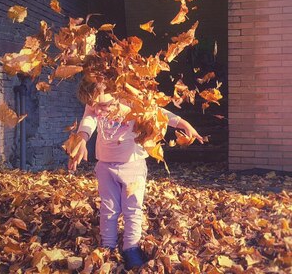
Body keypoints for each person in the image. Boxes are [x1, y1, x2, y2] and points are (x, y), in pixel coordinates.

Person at [68, 79, 203, 270]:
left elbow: (159, 113)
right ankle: (107, 246)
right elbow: (88, 120)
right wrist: (81, 139)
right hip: (105, 166)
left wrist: (183, 124)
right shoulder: (95, 104)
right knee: (109, 209)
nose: (97, 110)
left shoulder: (132, 103)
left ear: (116, 93)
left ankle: (131, 248)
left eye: (103, 105)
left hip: (133, 166)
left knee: (132, 210)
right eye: (93, 106)